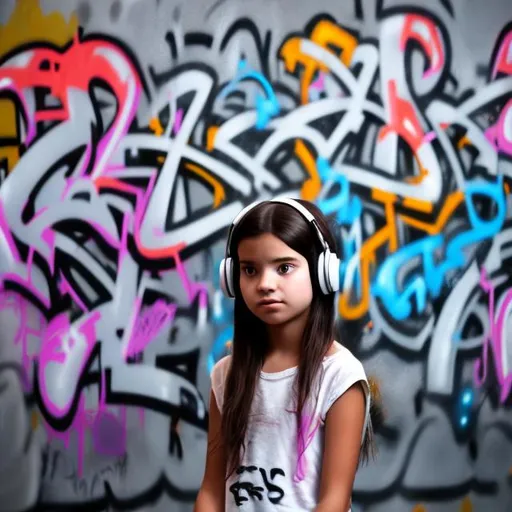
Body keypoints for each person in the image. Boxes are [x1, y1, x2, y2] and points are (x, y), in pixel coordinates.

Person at [195, 198, 377, 511]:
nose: (265, 284)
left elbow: (333, 500)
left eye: (284, 268)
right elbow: (211, 492)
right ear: (232, 279)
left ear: (323, 273)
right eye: (249, 270)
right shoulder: (227, 375)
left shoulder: (340, 376)